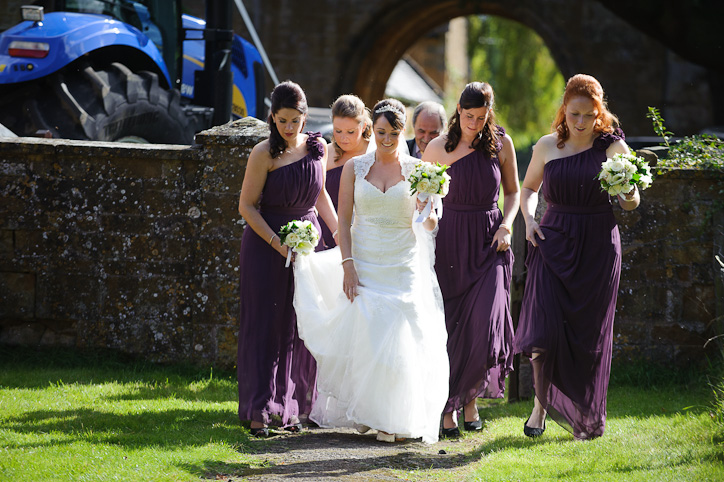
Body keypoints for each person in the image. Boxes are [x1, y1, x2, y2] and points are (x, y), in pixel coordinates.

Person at [293, 98, 450, 443]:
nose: (388, 139)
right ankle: (369, 410)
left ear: (403, 132)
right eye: (381, 132)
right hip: (363, 257)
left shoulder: (418, 169)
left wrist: (425, 206)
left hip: (402, 261)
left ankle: (391, 417)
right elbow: (345, 220)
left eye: (394, 133)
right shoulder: (355, 168)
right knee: (368, 332)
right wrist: (347, 265)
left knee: (399, 331)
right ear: (371, 129)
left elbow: (430, 224)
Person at [513, 74, 640, 440]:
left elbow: (631, 202)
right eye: (574, 114)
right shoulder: (547, 145)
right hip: (552, 241)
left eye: (588, 114)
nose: (581, 122)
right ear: (563, 111)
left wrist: (628, 191)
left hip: (598, 246)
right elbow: (528, 188)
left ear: (599, 112)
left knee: (588, 336)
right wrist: (528, 219)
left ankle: (584, 416)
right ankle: (540, 405)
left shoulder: (614, 149)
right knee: (545, 331)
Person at [236, 81, 339, 437]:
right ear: (272, 118)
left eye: (296, 120)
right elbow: (246, 206)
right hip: (266, 246)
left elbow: (321, 193)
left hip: (308, 245)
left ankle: (290, 409)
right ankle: (259, 411)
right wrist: (277, 243)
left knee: (299, 325)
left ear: (305, 116)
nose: (290, 128)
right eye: (283, 121)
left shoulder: (318, 148)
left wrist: (339, 232)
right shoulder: (262, 153)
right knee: (265, 326)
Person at [421, 82, 520, 438]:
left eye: (481, 117)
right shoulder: (437, 148)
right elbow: (421, 197)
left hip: (490, 241)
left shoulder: (501, 144)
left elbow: (513, 192)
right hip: (449, 243)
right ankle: (450, 406)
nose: (474, 123)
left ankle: (471, 398)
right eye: (468, 116)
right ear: (457, 111)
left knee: (484, 321)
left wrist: (507, 226)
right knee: (450, 330)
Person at [319, 94, 372, 248]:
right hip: (323, 232)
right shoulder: (325, 153)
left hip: (361, 236)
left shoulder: (374, 153)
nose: (343, 138)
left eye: (350, 132)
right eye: (338, 131)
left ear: (363, 127)